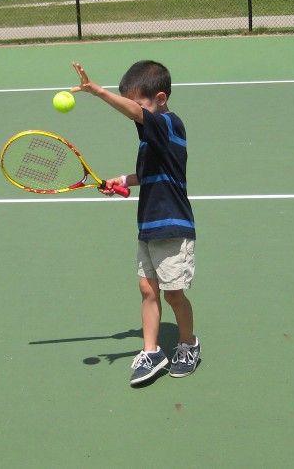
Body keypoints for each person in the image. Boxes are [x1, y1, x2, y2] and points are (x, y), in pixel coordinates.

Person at [71, 60, 200, 385]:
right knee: (147, 289)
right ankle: (152, 352)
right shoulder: (151, 137)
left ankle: (188, 344)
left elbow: (136, 114)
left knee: (173, 294)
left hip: (173, 225)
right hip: (149, 224)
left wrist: (98, 92)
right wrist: (121, 180)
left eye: (138, 103)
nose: (134, 111)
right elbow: (148, 174)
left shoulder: (169, 124)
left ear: (160, 98)